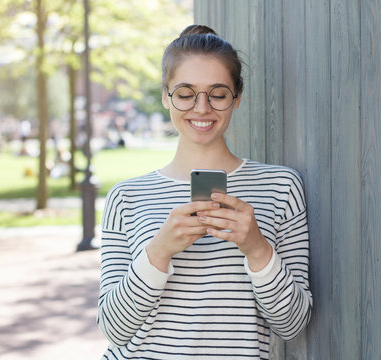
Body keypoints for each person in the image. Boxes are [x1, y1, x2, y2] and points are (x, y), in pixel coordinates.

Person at [97, 25, 312, 359]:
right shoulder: (126, 197)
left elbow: (292, 324)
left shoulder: (280, 187)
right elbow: (113, 328)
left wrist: (257, 248)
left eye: (218, 93)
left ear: (236, 97)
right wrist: (160, 250)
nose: (201, 108)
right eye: (185, 93)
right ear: (166, 96)